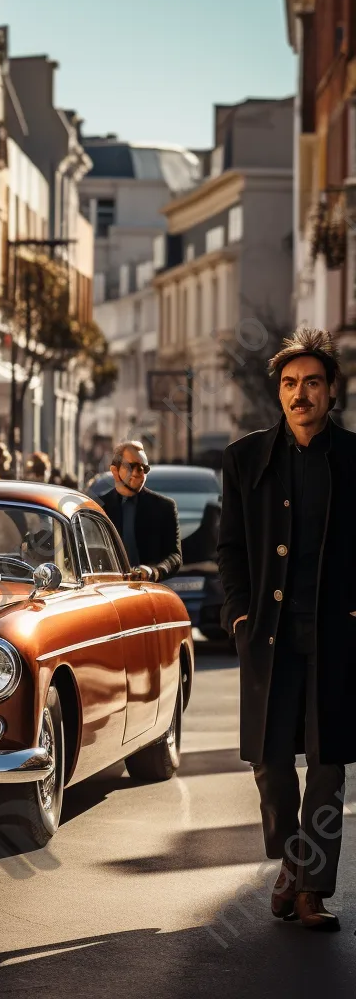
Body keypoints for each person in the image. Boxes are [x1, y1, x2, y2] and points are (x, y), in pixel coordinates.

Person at [218, 327, 355, 932]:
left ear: (333, 393)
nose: (301, 394)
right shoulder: (245, 458)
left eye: (313, 384)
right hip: (268, 635)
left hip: (336, 637)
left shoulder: (355, 460)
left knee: (329, 766)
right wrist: (239, 614)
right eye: (291, 384)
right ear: (279, 393)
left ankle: (309, 889)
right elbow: (228, 548)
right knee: (272, 762)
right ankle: (290, 865)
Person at [97, 440, 181, 582]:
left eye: (144, 468)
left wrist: (153, 571)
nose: (139, 472)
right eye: (132, 466)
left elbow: (174, 556)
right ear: (115, 471)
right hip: (107, 592)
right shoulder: (98, 508)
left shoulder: (164, 507)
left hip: (148, 592)